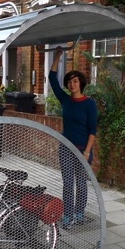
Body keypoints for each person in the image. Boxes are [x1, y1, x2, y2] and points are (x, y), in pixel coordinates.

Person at [49, 47, 98, 229]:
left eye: (75, 81)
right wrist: (58, 56)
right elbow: (52, 79)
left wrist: (87, 152)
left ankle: (79, 213)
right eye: (69, 82)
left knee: (81, 183)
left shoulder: (89, 103)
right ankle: (68, 215)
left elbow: (93, 130)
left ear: (81, 83)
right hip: (66, 147)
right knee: (68, 183)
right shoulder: (65, 100)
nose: (72, 84)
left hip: (83, 149)